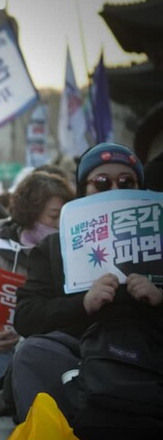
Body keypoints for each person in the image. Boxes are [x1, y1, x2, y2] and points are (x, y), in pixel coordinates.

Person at [12, 143, 161, 422]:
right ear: (84, 190)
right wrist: (82, 303)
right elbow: (26, 317)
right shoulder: (54, 247)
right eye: (103, 182)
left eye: (127, 182)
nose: (116, 190)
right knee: (31, 353)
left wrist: (159, 299)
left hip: (153, 351)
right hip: (80, 356)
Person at [0, 168, 75, 413]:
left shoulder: (71, 253)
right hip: (2, 347)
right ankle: (5, 391)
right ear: (31, 214)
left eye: (65, 217)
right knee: (5, 357)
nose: (60, 225)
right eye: (54, 217)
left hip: (50, 343)